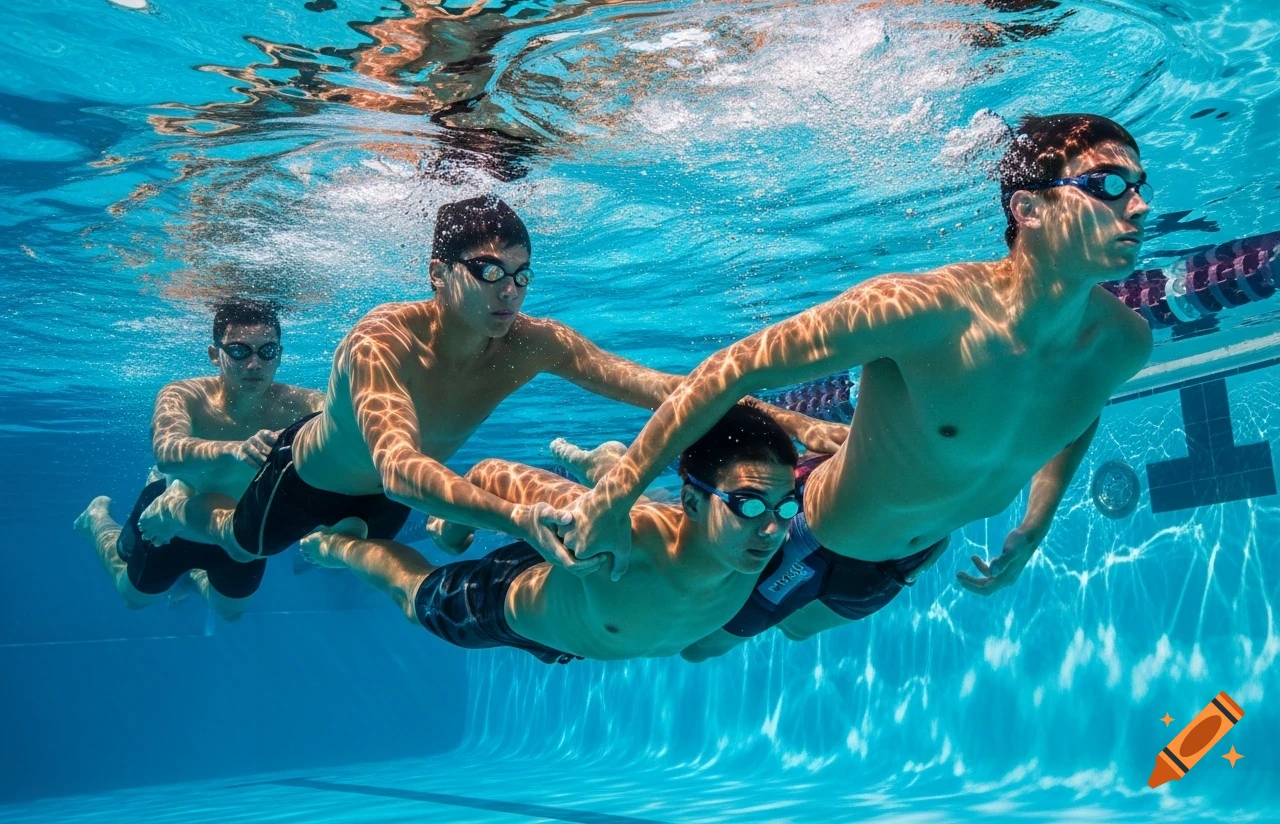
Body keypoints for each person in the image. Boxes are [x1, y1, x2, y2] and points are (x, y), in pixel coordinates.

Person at [557, 113, 1155, 659]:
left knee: (793, 628)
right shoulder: (926, 311)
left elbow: (1081, 408)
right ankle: (617, 480)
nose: (1139, 206)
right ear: (1029, 208)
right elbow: (731, 369)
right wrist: (613, 501)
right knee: (698, 646)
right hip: (809, 536)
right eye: (1107, 185)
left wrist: (1036, 522)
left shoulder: (1121, 343)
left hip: (909, 560)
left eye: (1139, 185)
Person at [137, 196, 842, 572]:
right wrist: (514, 519)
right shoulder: (380, 341)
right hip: (313, 474)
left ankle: (368, 538)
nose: (511, 292)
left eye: (522, 273)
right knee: (243, 548)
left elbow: (662, 388)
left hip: (387, 496)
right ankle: (170, 511)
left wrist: (794, 424)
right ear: (438, 274)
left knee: (403, 540)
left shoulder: (534, 342)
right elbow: (401, 466)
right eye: (490, 272)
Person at [299, 404, 798, 662]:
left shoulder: (764, 546)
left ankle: (604, 464)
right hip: (507, 603)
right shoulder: (618, 540)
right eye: (748, 505)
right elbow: (493, 471)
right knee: (415, 600)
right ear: (692, 501)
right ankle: (339, 545)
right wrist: (453, 531)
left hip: (575, 636)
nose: (772, 527)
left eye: (784, 505)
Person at [74, 300, 322, 620]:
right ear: (214, 354)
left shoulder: (306, 403)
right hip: (169, 520)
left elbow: (345, 426)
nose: (254, 364)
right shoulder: (182, 393)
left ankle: (194, 576)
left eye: (267, 351)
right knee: (134, 598)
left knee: (230, 614)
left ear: (280, 354)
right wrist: (234, 450)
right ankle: (95, 519)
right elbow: (166, 452)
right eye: (238, 351)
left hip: (239, 525)